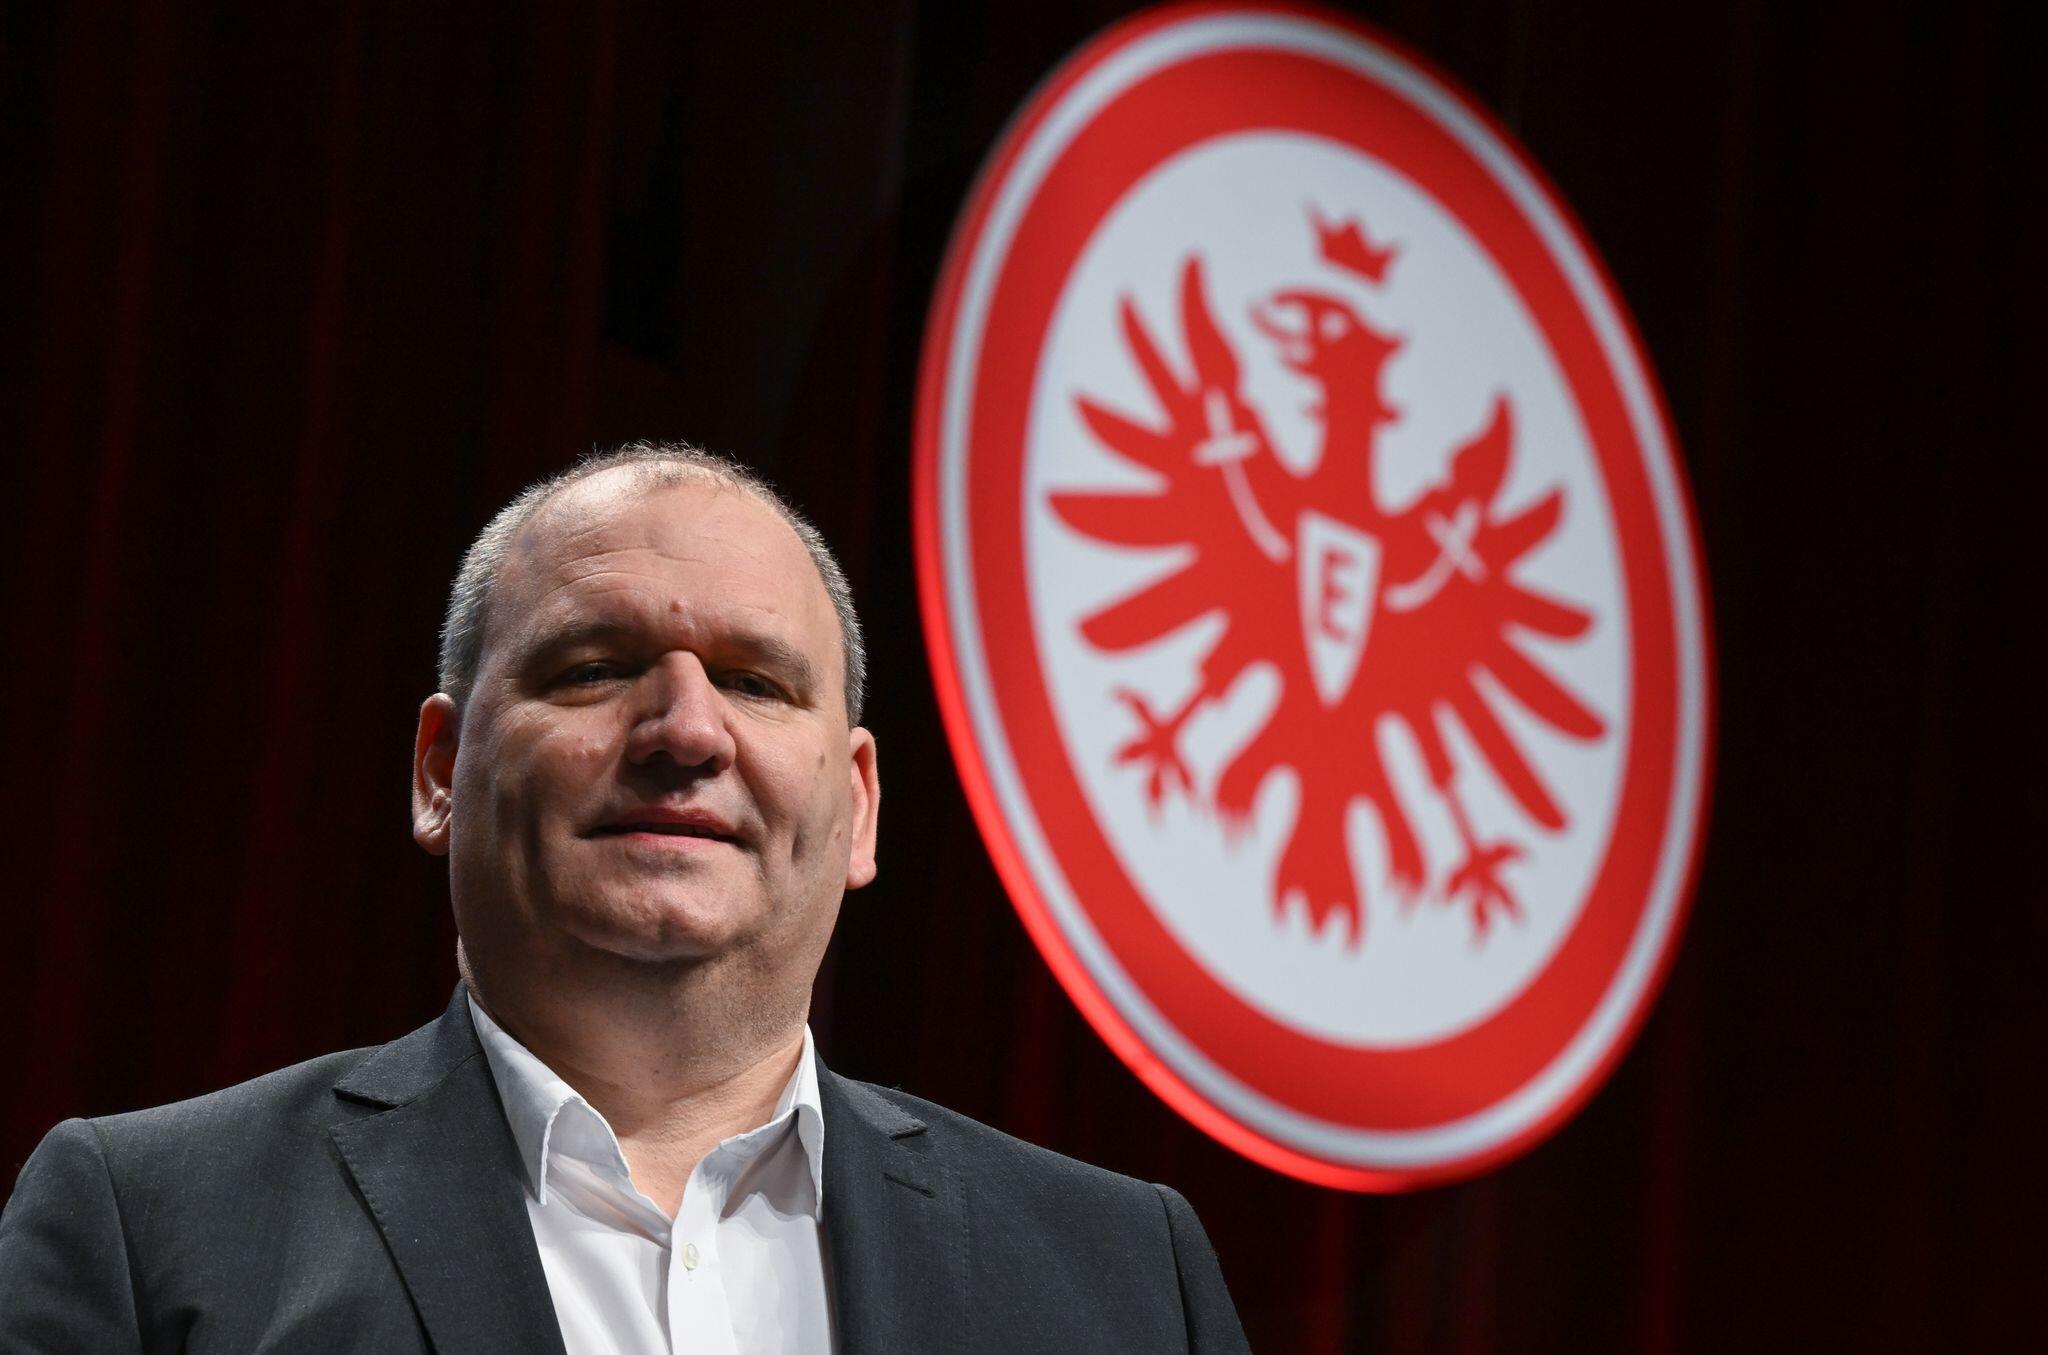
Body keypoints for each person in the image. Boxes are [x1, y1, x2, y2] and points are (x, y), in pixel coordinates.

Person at [0, 443, 1251, 1354]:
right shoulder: (145, 1226)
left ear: (859, 805)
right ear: (440, 771)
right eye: (596, 667)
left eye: (757, 683)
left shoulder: (1128, 1275)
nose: (685, 729)